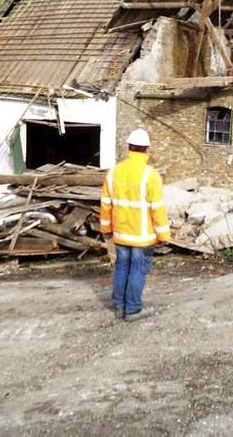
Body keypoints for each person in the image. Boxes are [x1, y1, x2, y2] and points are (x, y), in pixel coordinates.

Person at [99, 128, 170, 321]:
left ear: (128, 147)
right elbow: (157, 208)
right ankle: (133, 309)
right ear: (147, 150)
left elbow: (106, 205)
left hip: (121, 234)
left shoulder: (114, 173)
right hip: (143, 236)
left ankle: (119, 305)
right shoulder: (150, 175)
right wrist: (164, 235)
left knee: (122, 267)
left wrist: (106, 229)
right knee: (138, 270)